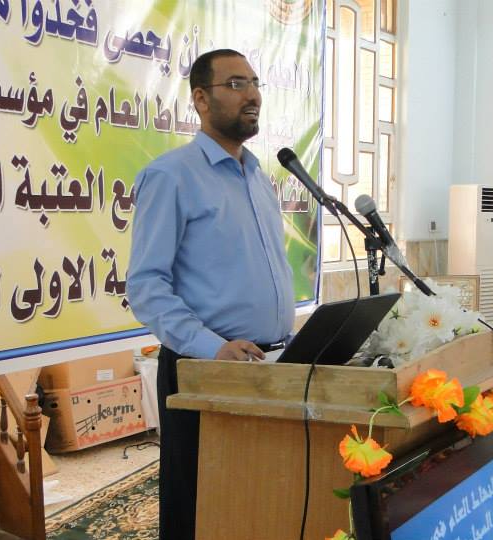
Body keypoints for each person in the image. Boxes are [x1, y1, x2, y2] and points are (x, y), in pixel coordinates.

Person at [126, 49, 295, 540]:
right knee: (198, 506)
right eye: (236, 84)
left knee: (256, 500)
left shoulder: (258, 177)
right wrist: (212, 347)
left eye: (255, 83)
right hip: (205, 368)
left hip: (267, 364)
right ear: (201, 99)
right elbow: (146, 286)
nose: (253, 95)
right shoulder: (171, 176)